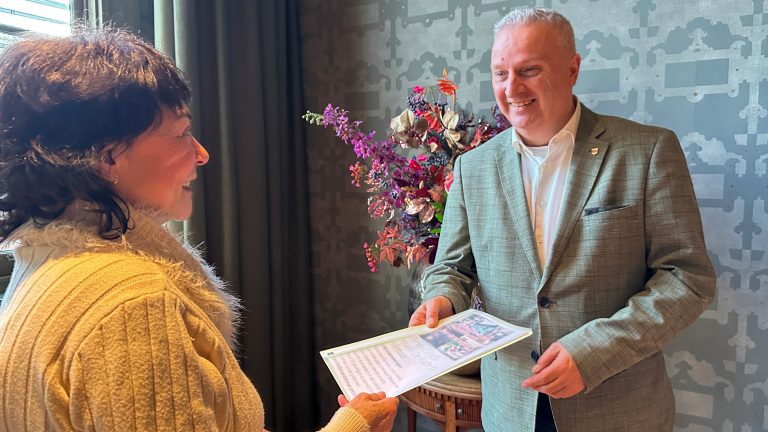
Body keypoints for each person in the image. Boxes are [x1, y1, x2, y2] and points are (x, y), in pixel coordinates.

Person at [0, 27, 398, 432]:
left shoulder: (41, 263)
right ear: (107, 157)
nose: (203, 154)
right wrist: (354, 426)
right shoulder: (133, 304)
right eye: (182, 132)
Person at [409, 8, 716, 432]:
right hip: (509, 408)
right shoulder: (472, 168)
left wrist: (595, 351)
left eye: (529, 70)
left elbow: (688, 279)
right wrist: (442, 299)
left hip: (617, 409)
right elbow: (451, 268)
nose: (511, 88)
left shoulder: (647, 151)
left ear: (572, 69)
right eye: (500, 73)